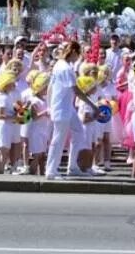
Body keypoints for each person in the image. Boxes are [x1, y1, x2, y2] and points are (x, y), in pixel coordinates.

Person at [45, 41, 98, 180]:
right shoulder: (65, 68)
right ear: (73, 52)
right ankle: (51, 171)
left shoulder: (60, 65)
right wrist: (93, 105)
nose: (78, 57)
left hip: (67, 107)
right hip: (61, 109)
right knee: (58, 139)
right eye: (78, 53)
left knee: (79, 132)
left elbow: (51, 87)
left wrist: (49, 104)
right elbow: (76, 90)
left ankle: (72, 167)